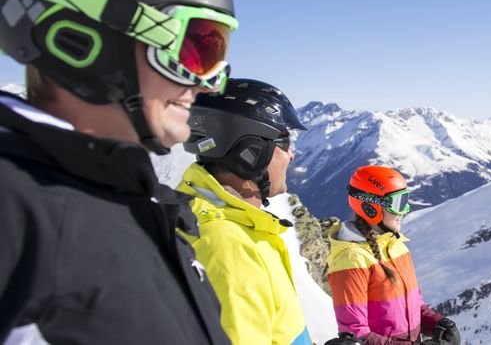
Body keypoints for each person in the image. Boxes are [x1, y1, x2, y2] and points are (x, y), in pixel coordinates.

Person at [0, 0, 238, 343]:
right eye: (192, 48)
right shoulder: (14, 210)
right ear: (79, 40)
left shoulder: (139, 202)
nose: (207, 83)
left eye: (214, 51)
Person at [177, 78, 313, 345]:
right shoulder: (227, 246)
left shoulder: (236, 225)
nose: (291, 155)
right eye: (284, 142)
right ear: (251, 150)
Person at [324, 166, 461, 345]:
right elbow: (356, 335)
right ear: (370, 207)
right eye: (398, 203)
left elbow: (414, 306)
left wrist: (436, 324)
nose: (404, 211)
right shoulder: (351, 260)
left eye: (406, 200)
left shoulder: (397, 248)